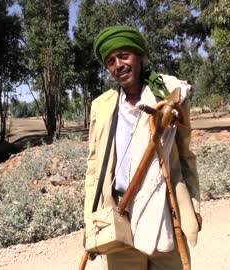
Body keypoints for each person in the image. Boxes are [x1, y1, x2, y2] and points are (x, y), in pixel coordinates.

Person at [84, 25, 202, 270]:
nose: (118, 65)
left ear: (140, 56)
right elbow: (94, 168)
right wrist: (90, 220)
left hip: (165, 213)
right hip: (118, 215)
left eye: (124, 56)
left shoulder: (168, 95)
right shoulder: (102, 106)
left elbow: (185, 155)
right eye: (110, 61)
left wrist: (194, 205)